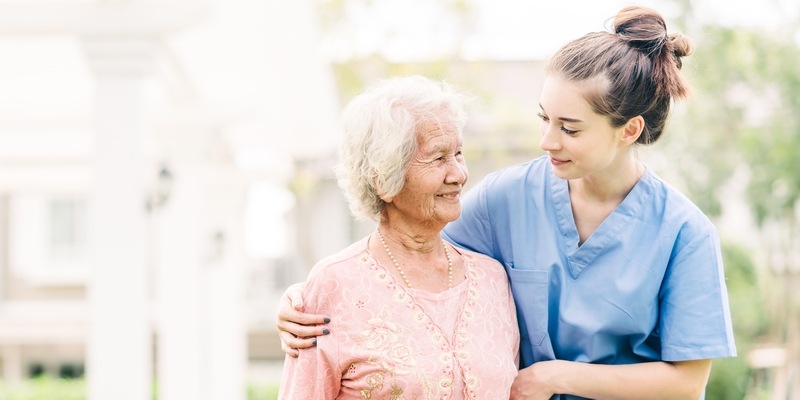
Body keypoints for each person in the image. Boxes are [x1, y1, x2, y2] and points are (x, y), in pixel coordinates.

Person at [277, 6, 737, 399]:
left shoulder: (683, 233)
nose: (546, 140)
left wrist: (554, 376)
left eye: (569, 128)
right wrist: (304, 300)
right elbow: (406, 251)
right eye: (544, 118)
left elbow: (687, 383)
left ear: (629, 130)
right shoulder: (507, 198)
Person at [277, 75, 520, 399]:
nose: (459, 174)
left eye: (458, 153)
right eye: (437, 157)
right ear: (383, 179)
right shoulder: (334, 285)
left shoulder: (492, 279)